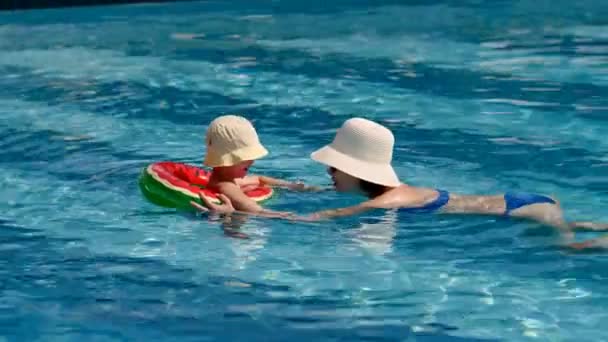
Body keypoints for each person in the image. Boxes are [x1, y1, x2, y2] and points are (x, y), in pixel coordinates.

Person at [192, 117, 608, 246]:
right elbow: (318, 196)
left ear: (356, 174)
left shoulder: (378, 204)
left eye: (333, 169)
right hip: (529, 201)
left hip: (524, 214)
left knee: (575, 249)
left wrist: (234, 215)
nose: (328, 173)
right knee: (576, 228)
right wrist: (286, 185)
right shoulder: (395, 190)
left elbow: (311, 220)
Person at [200, 115, 322, 214]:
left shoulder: (227, 179)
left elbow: (259, 179)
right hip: (240, 234)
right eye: (245, 157)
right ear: (227, 160)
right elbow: (257, 211)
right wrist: (286, 216)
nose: (252, 160)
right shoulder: (226, 187)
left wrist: (290, 185)